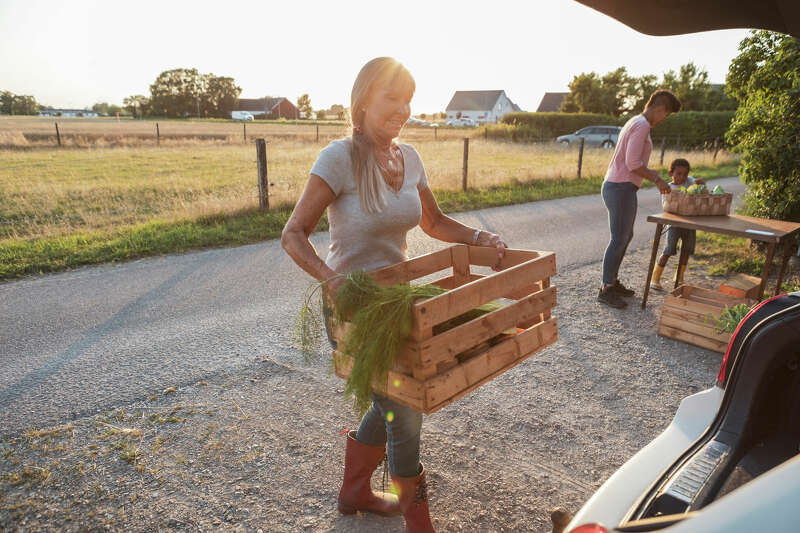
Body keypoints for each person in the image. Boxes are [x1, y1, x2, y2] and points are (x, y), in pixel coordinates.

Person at [281, 57, 507, 533]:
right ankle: (417, 523)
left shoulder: (411, 158)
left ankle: (355, 491)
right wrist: (331, 278)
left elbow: (434, 222)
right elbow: (293, 234)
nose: (402, 109)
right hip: (356, 306)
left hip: (402, 302)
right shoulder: (339, 158)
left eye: (408, 100)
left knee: (388, 398)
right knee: (404, 410)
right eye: (391, 98)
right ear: (363, 100)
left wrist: (478, 238)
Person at [598, 89, 680, 309]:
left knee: (624, 236)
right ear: (660, 108)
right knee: (619, 238)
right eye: (666, 114)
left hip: (619, 187)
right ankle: (606, 289)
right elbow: (633, 163)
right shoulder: (642, 125)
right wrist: (657, 179)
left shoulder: (636, 121)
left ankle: (612, 282)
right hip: (620, 187)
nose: (664, 119)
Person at [650, 158, 705, 291]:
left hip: (689, 223)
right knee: (668, 250)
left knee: (686, 251)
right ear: (671, 173)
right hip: (674, 224)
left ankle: (679, 277)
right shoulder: (667, 188)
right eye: (678, 174)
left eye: (685, 174)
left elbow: (698, 181)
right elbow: (666, 207)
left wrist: (699, 182)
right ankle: (655, 278)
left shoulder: (689, 182)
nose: (682, 177)